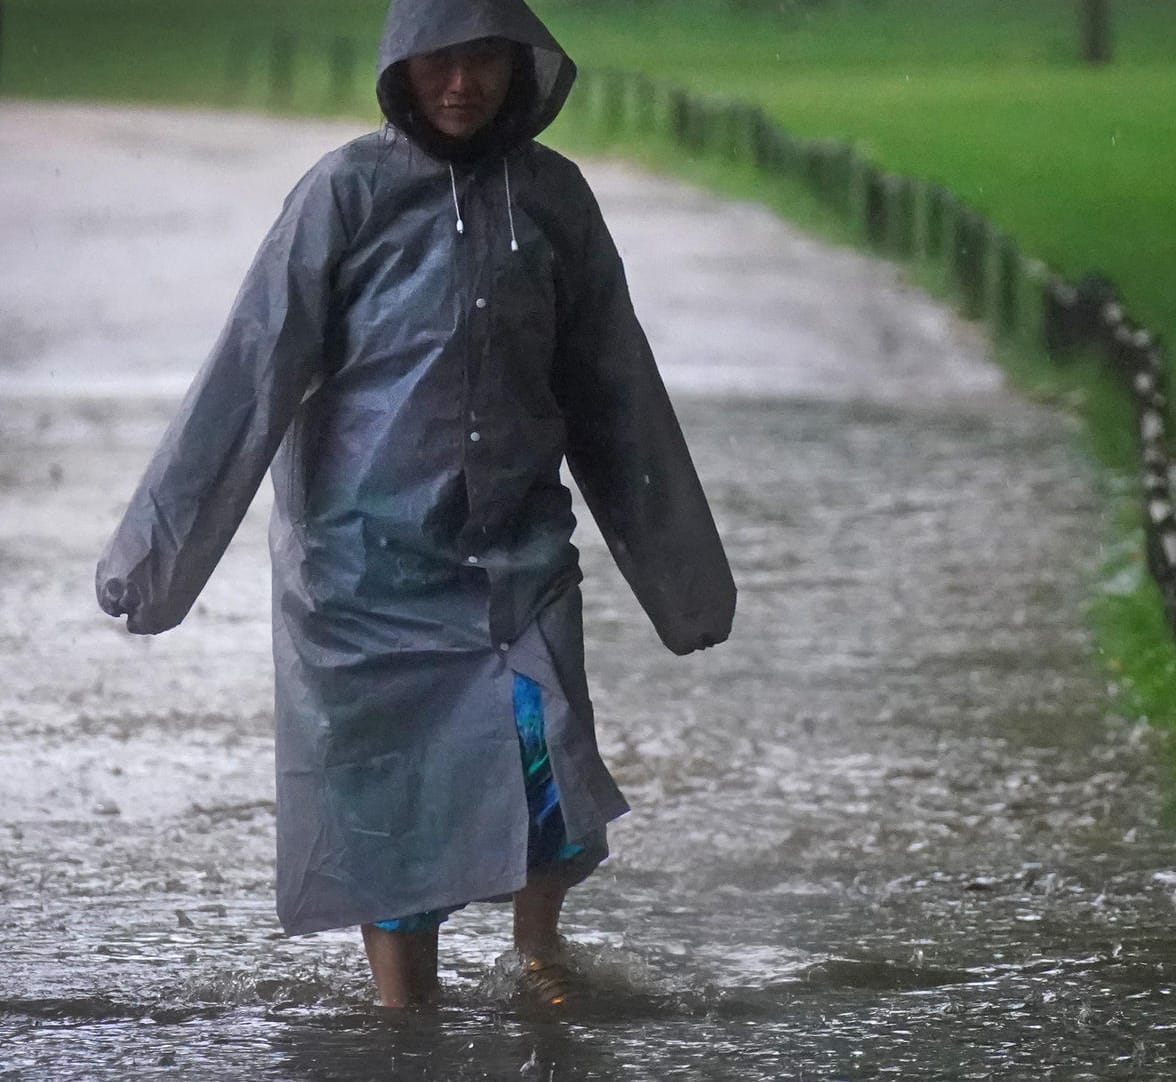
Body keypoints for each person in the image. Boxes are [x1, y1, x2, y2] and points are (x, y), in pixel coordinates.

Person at [94, 0, 734, 1009]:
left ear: (520, 68)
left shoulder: (555, 200)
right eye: (439, 61)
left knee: (548, 763)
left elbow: (617, 391)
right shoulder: (345, 193)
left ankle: (539, 961)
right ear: (403, 67)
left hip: (515, 557)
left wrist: (687, 583)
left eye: (484, 59)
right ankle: (405, 1024)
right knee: (389, 810)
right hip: (363, 575)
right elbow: (249, 375)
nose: (461, 85)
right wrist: (155, 558)